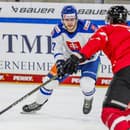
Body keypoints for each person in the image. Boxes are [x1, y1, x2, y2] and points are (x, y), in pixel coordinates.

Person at [60, 5, 130, 130]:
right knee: (125, 113)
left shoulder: (107, 30)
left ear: (109, 19)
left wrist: (76, 58)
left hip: (126, 70)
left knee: (111, 113)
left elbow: (94, 44)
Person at [22, 5, 100, 114]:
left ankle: (88, 99)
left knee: (86, 84)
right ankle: (39, 103)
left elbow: (97, 46)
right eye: (67, 20)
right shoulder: (58, 30)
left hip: (89, 60)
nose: (70, 23)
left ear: (76, 18)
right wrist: (60, 63)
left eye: (72, 19)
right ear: (62, 20)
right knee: (49, 82)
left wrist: (80, 58)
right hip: (69, 59)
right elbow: (57, 49)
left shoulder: (88, 28)